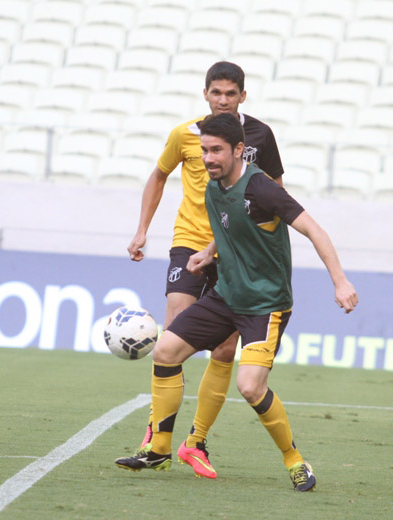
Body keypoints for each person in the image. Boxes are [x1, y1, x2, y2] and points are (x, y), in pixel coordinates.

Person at [115, 113, 358, 491]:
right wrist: (208, 252)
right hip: (227, 296)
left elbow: (314, 229)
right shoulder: (214, 186)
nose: (208, 158)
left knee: (250, 387)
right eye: (204, 150)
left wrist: (340, 282)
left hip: (266, 304)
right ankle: (160, 449)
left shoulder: (261, 188)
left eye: (216, 151)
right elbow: (231, 227)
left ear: (239, 150)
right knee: (165, 351)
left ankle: (294, 460)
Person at [123, 61, 285, 478]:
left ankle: (196, 442)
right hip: (190, 242)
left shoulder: (261, 136)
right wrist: (142, 230)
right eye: (216, 92)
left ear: (242, 97)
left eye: (231, 93)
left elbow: (277, 192)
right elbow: (158, 176)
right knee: (174, 330)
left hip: (233, 252)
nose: (223, 100)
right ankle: (157, 434)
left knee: (227, 350)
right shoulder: (185, 134)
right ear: (206, 94)